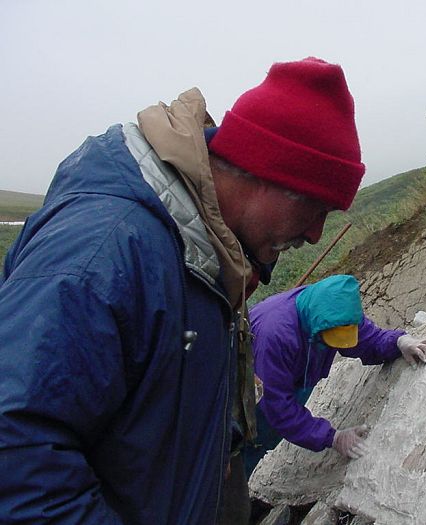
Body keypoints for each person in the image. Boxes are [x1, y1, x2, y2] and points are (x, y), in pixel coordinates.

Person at [0, 57, 365, 524]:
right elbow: (17, 452)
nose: (315, 235)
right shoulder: (106, 251)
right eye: (316, 209)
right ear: (265, 174)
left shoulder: (205, 254)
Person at [244, 274, 426, 477]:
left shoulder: (338, 309)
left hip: (292, 381)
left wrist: (399, 341)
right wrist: (331, 437)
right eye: (328, 341)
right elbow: (277, 406)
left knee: (268, 440)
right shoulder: (275, 337)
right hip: (246, 394)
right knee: (238, 452)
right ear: (318, 328)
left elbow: (369, 340)